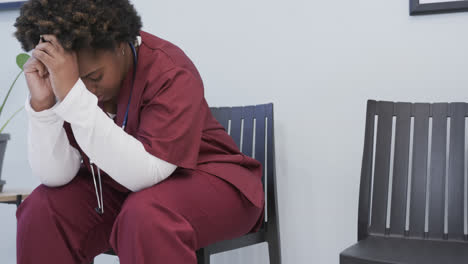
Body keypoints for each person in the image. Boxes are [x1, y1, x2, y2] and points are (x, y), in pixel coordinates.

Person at [13, 0, 265, 263]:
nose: (85, 90)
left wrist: (73, 97)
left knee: (148, 216)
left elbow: (149, 172)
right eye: (77, 84)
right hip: (123, 190)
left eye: (94, 77)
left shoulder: (169, 68)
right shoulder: (69, 77)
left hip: (211, 183)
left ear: (123, 44)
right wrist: (44, 107)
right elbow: (56, 175)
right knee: (42, 210)